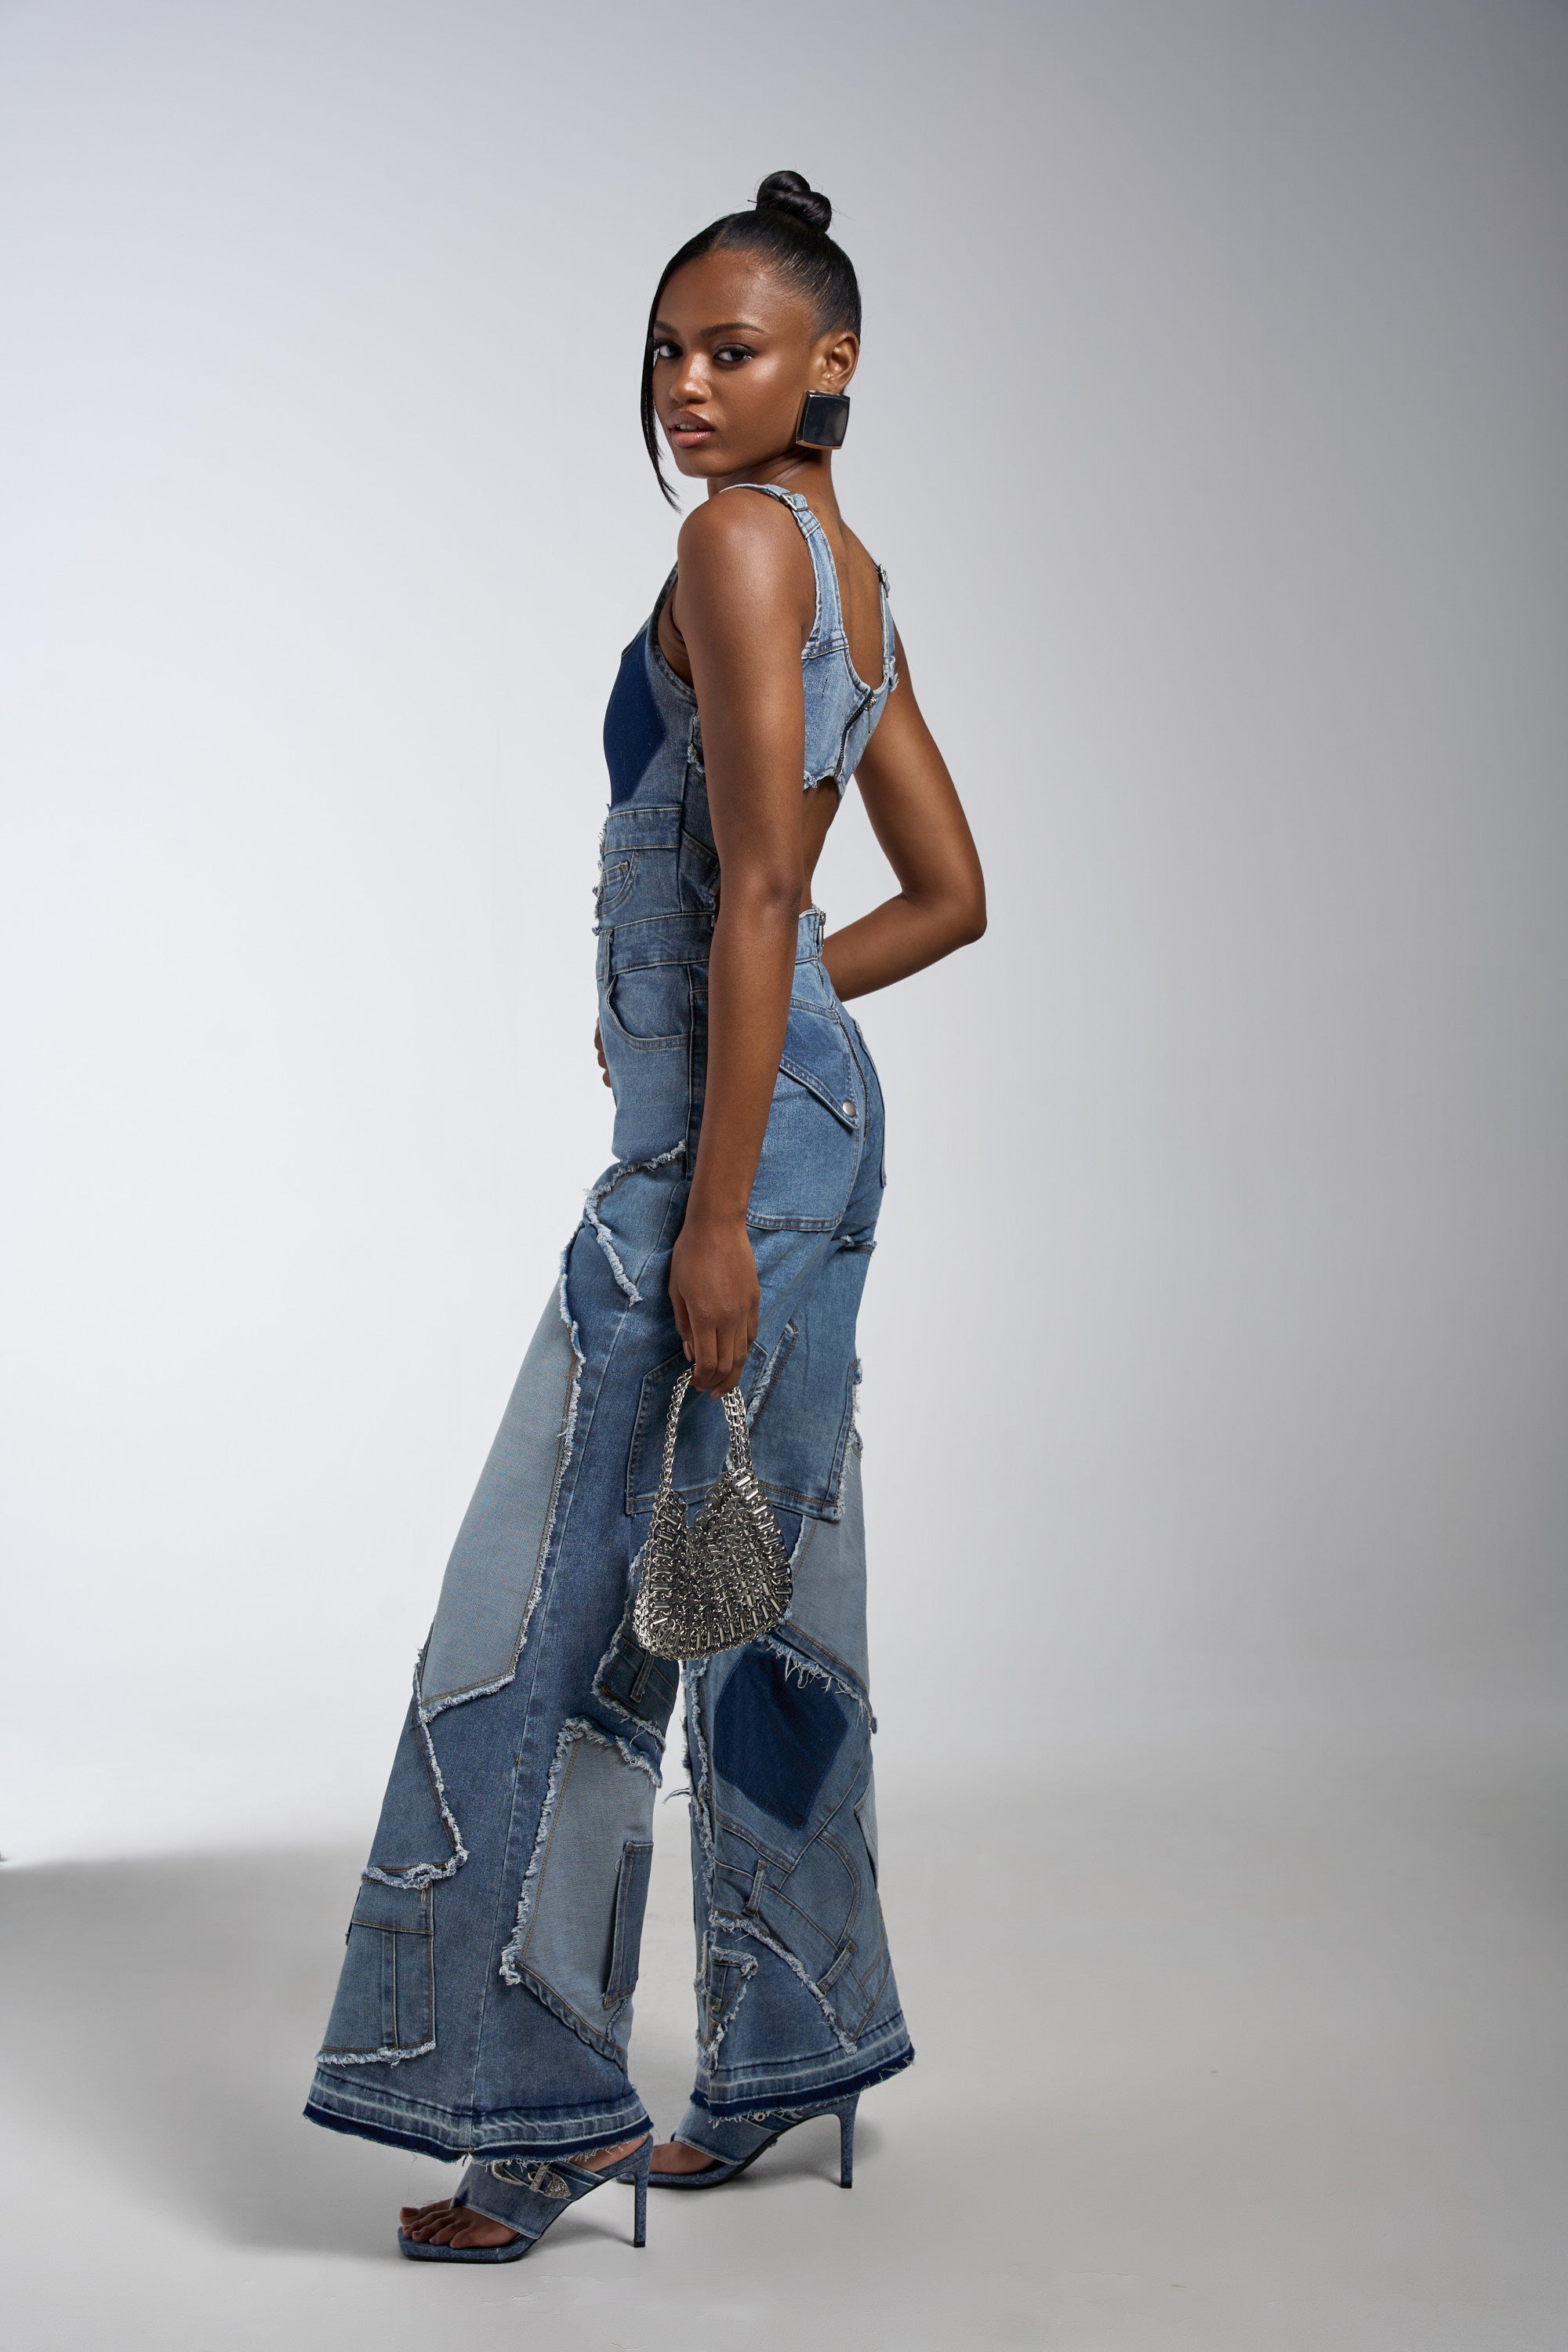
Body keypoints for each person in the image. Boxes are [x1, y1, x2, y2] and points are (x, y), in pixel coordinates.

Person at [303, 169, 985, 2263]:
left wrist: (706, 1183)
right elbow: (951, 899)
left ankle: (536, 2114)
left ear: (832, 365)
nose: (690, 389)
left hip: (729, 1183)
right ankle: (794, 2053)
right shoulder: (854, 570)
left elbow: (779, 888)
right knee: (758, 1599)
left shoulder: (732, 545)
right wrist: (756, 1052)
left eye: (736, 351)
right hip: (809, 1145)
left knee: (557, 1617)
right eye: (669, 355)